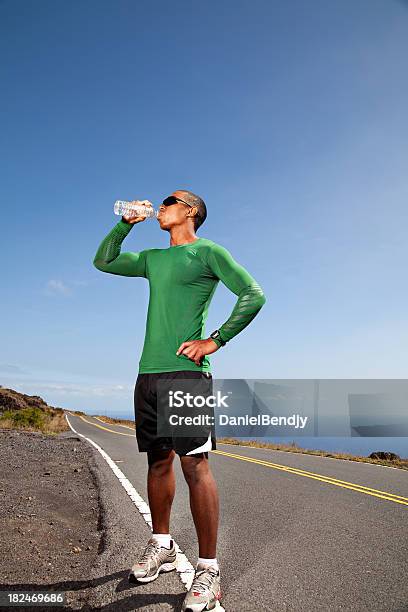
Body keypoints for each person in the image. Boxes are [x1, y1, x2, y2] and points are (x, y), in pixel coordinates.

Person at [93, 190, 266, 611]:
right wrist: (124, 225)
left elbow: (253, 293)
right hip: (148, 374)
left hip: (187, 374)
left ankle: (209, 569)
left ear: (191, 212)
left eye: (171, 201)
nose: (161, 206)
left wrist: (215, 340)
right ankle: (162, 545)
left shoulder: (208, 252)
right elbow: (104, 261)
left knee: (194, 464)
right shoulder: (153, 258)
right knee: (157, 461)